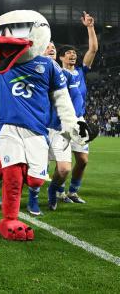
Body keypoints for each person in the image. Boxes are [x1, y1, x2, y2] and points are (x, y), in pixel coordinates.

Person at [57, 11, 98, 204]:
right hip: (60, 122)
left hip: (79, 121)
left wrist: (90, 27)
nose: (73, 55)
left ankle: (73, 192)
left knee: (82, 160)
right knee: (61, 163)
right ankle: (58, 191)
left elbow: (93, 50)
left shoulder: (81, 72)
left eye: (74, 53)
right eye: (68, 53)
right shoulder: (55, 73)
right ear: (61, 58)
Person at [43, 42, 81, 213]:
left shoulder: (68, 76)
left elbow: (77, 101)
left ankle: (53, 188)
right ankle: (32, 198)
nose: (51, 49)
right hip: (39, 128)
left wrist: (74, 123)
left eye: (53, 47)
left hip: (60, 129)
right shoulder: (31, 73)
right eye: (46, 46)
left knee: (64, 169)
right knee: (34, 172)